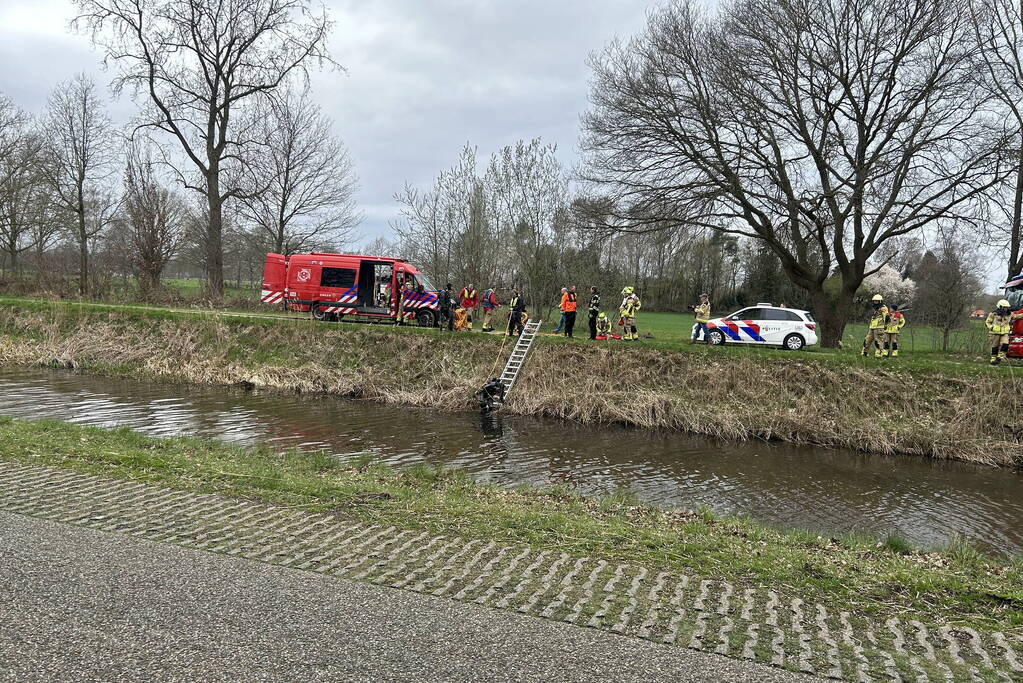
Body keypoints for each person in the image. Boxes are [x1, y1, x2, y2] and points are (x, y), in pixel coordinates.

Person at [986, 299, 1023, 365]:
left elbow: (1017, 316)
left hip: (1005, 333)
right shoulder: (993, 314)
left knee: (1005, 344)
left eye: (1007, 307)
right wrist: (992, 327)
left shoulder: (1010, 314)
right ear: (1000, 307)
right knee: (995, 346)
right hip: (995, 333)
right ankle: (993, 359)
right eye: (1005, 307)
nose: (1006, 309)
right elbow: (987, 322)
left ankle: (1000, 357)